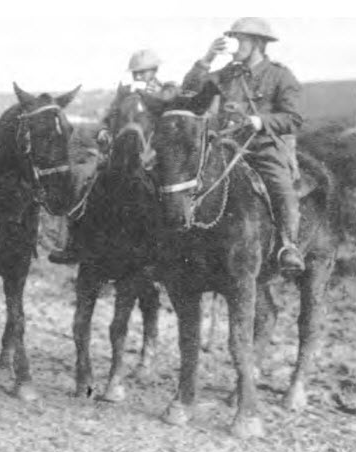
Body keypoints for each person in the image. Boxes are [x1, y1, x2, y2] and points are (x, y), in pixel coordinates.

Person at [181, 17, 305, 273]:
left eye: (240, 39)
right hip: (224, 144)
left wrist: (259, 120)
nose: (234, 44)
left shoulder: (280, 75)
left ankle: (288, 245)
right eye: (233, 38)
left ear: (257, 43)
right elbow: (190, 94)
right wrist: (206, 59)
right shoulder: (225, 74)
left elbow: (292, 118)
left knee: (281, 187)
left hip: (261, 147)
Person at [49, 49, 167, 265]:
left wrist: (158, 96)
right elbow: (109, 118)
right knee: (81, 176)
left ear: (154, 71)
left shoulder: (165, 91)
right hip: (118, 153)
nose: (139, 77)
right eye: (136, 73)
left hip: (151, 153)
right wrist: (104, 129)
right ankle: (68, 241)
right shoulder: (124, 94)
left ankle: (170, 249)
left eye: (144, 73)